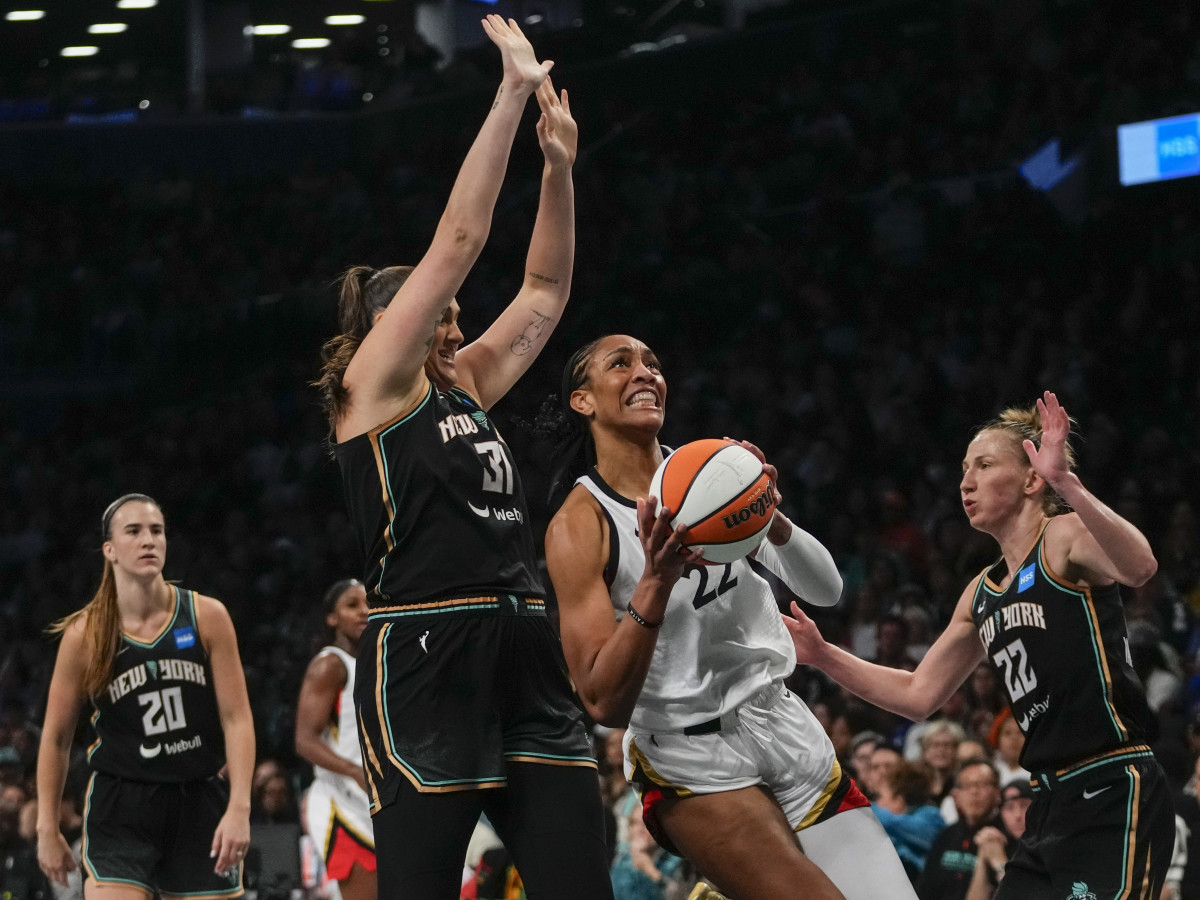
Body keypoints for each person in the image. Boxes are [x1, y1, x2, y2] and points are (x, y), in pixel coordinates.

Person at [315, 17, 610, 900]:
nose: (454, 323)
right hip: (426, 648)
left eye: (452, 314)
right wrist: (510, 93)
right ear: (381, 331)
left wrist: (557, 167)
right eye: (437, 313)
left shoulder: (465, 387)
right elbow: (458, 244)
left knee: (577, 884)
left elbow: (546, 291)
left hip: (524, 638)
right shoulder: (369, 391)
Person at [542, 334, 918, 900]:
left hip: (783, 721)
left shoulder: (713, 475)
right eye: (621, 364)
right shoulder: (580, 523)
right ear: (583, 401)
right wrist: (655, 583)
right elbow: (602, 701)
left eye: (654, 363)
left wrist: (770, 510)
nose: (646, 373)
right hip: (691, 755)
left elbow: (827, 590)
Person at [787, 392, 1176, 899]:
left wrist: (1068, 484)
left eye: (985, 465)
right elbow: (917, 695)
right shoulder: (980, 592)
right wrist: (822, 654)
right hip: (1047, 801)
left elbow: (1140, 566)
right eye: (964, 468)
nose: (966, 481)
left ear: (1033, 479)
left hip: (1113, 784)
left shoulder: (1063, 537)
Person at [35, 493, 255, 898]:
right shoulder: (85, 635)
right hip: (121, 804)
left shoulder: (207, 616)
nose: (148, 540)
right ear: (110, 550)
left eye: (156, 530)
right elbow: (56, 738)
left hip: (198, 798)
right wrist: (46, 827)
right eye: (133, 531)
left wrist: (240, 807)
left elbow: (237, 718)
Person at [294, 578, 376, 900]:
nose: (364, 611)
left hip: (370, 799)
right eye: (352, 605)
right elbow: (304, 740)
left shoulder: (371, 665)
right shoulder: (330, 664)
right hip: (341, 801)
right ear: (332, 618)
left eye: (368, 603)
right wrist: (356, 771)